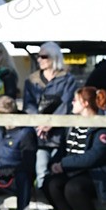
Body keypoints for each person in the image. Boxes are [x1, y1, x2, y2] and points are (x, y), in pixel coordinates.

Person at [44, 86, 106, 210]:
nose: (72, 103)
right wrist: (54, 164)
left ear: (85, 103)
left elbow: (94, 157)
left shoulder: (103, 127)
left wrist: (63, 164)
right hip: (74, 171)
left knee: (73, 188)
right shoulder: (72, 124)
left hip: (100, 174)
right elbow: (63, 149)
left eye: (75, 100)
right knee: (50, 184)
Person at [22, 41, 78, 190]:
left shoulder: (68, 79)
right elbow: (29, 105)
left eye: (44, 56)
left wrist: (51, 123)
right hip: (38, 133)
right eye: (38, 56)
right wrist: (40, 124)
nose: (39, 59)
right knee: (40, 170)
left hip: (61, 134)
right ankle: (42, 200)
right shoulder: (31, 80)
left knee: (58, 170)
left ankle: (54, 200)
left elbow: (67, 103)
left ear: (55, 57)